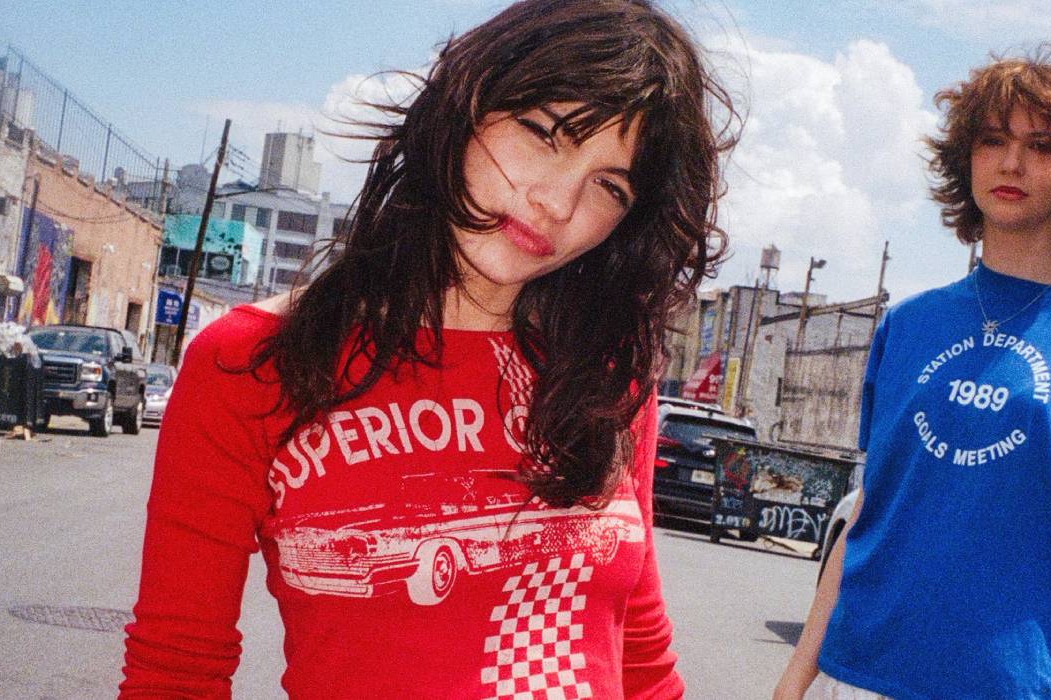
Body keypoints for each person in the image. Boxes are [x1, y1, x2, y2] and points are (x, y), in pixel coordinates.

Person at [119, 1, 731, 698]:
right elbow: (176, 670)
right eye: (544, 134)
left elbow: (639, 654)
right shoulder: (253, 361)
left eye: (609, 187)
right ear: (466, 105)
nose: (558, 203)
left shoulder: (606, 373)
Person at [776, 49, 1051, 700]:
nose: (1012, 163)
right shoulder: (909, 324)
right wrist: (796, 676)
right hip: (864, 672)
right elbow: (874, 509)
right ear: (967, 158)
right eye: (992, 141)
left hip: (1017, 682)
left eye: (1040, 146)